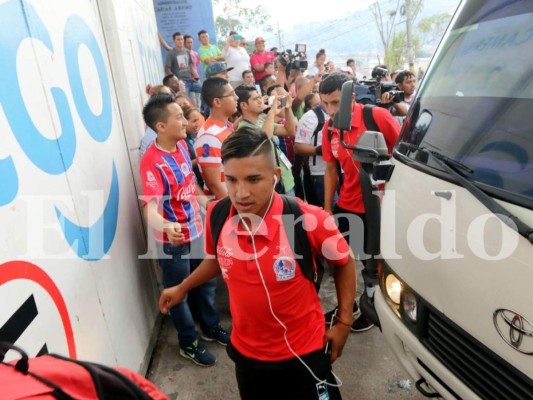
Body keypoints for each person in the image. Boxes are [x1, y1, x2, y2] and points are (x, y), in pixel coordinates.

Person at [160, 126, 356, 400]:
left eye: (253, 179)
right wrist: (182, 287)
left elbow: (344, 262)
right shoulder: (218, 214)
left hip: (305, 353)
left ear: (275, 177)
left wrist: (344, 322)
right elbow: (217, 260)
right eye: (232, 180)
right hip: (248, 357)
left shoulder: (308, 219)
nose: (241, 193)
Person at [140, 93, 229, 367]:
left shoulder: (182, 147)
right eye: (178, 116)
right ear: (161, 126)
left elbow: (191, 189)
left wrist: (212, 207)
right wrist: (167, 226)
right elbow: (149, 209)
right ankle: (188, 342)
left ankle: (210, 326)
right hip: (174, 242)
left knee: (205, 282)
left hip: (198, 230)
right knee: (178, 292)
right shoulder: (151, 161)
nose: (185, 121)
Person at [320, 73, 400, 331]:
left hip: (378, 205)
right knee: (344, 260)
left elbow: (403, 154)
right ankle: (350, 304)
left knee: (374, 262)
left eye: (335, 102)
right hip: (347, 204)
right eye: (325, 104)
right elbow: (331, 169)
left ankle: (373, 305)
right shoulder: (330, 128)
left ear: (350, 97)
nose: (331, 110)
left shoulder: (376, 117)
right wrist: (328, 208)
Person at [235, 84, 296, 196]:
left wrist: (288, 108)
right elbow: (263, 139)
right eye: (255, 99)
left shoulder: (261, 122)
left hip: (285, 181)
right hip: (273, 186)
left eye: (259, 97)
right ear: (244, 105)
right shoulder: (243, 129)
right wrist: (272, 111)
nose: (260, 101)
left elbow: (289, 131)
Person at [194, 78, 238, 199]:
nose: (236, 98)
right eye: (232, 94)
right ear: (217, 102)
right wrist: (234, 210)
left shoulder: (227, 126)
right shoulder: (209, 136)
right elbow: (214, 184)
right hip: (226, 206)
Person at [165, 32, 201, 101]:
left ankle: (205, 110)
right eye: (178, 39)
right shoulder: (171, 53)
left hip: (192, 80)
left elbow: (190, 66)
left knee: (206, 91)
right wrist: (177, 80)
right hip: (182, 83)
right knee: (185, 100)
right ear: (174, 41)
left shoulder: (187, 51)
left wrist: (196, 77)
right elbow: (167, 69)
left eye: (181, 39)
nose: (180, 41)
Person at [184, 34, 202, 107]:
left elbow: (195, 66)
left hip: (196, 79)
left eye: (191, 42)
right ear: (184, 43)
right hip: (188, 81)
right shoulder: (182, 53)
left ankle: (200, 116)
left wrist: (196, 77)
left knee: (199, 101)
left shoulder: (195, 54)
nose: (190, 44)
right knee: (192, 101)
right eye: (188, 42)